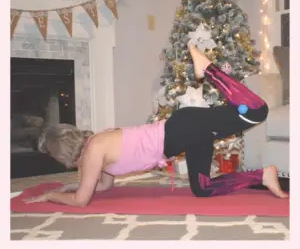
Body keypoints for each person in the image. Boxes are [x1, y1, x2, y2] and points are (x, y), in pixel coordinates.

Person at [25, 44, 288, 207]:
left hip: (180, 130)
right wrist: (70, 186)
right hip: (185, 134)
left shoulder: (93, 152)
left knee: (256, 111)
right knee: (203, 188)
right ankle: (263, 175)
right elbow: (103, 186)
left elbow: (82, 201)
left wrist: (51, 196)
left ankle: (207, 69)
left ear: (61, 152)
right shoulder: (94, 148)